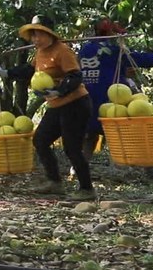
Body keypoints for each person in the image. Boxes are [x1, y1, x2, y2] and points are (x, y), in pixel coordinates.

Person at [79, 17, 153, 182]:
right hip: (114, 103)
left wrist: (124, 71)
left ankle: (78, 171)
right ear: (108, 32)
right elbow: (139, 58)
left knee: (89, 135)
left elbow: (103, 69)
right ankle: (152, 174)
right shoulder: (113, 50)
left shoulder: (84, 50)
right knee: (135, 134)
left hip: (88, 102)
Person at [15, 15, 96, 201]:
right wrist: (6, 72)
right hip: (57, 105)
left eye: (38, 35)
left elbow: (75, 76)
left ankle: (87, 189)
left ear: (49, 34)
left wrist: (58, 91)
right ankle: (54, 182)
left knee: (72, 148)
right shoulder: (40, 52)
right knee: (41, 139)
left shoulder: (62, 51)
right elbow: (30, 70)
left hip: (75, 104)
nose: (35, 39)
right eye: (33, 35)